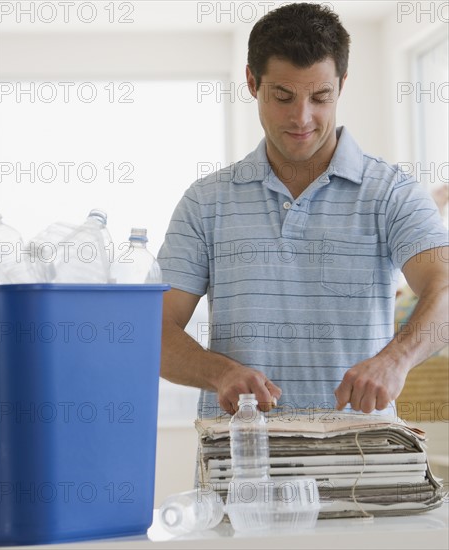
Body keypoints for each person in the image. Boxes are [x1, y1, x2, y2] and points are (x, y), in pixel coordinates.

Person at [157, 3, 448, 418]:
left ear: (342, 85)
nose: (302, 117)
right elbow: (154, 331)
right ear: (252, 82)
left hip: (362, 461)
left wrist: (395, 359)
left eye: (321, 96)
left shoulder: (392, 193)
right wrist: (220, 373)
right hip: (242, 463)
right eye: (283, 96)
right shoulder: (206, 202)